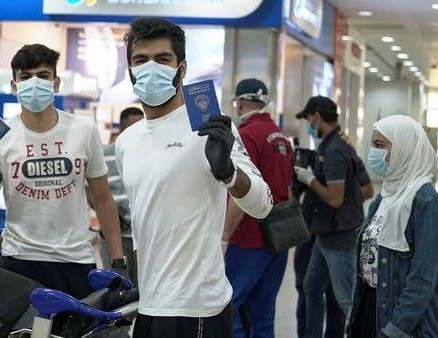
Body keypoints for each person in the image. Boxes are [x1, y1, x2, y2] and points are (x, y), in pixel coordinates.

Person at [115, 18, 273, 338]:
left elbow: (262, 204)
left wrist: (228, 172)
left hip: (197, 308)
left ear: (182, 68)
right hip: (149, 305)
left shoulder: (211, 129)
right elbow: (148, 218)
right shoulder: (126, 142)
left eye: (163, 59)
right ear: (130, 70)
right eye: (140, 60)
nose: (151, 68)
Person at [0, 44, 125, 300]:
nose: (34, 83)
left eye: (43, 76)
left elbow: (102, 198)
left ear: (56, 84)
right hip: (19, 260)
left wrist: (118, 259)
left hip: (75, 260)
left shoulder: (84, 130)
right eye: (25, 77)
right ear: (14, 86)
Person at [346, 115, 438, 338]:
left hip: (407, 322)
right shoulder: (384, 196)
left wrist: (395, 329)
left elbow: (422, 279)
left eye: (380, 145)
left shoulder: (426, 203)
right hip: (372, 306)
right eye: (372, 145)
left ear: (404, 149)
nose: (373, 153)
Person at [221, 78, 293, 338]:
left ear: (239, 103)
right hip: (279, 235)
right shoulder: (280, 137)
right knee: (263, 311)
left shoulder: (247, 135)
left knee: (230, 305)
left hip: (250, 237)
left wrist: (224, 236)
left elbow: (243, 192)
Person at [294, 95, 364, 338]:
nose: (308, 124)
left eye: (308, 119)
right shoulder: (329, 145)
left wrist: (309, 180)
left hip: (339, 238)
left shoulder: (335, 150)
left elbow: (335, 198)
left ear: (316, 117)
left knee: (345, 299)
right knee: (311, 287)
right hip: (324, 235)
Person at [293, 153, 373, 338]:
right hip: (310, 234)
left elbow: (367, 190)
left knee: (337, 299)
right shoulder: (305, 155)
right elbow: (292, 195)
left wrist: (336, 196)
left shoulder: (343, 154)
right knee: (308, 290)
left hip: (336, 233)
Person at [97, 107, 144, 285]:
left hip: (143, 236)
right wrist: (112, 216)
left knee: (144, 289)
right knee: (117, 289)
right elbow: (92, 191)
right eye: (132, 127)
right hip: (116, 236)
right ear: (122, 129)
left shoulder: (149, 154)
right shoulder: (106, 154)